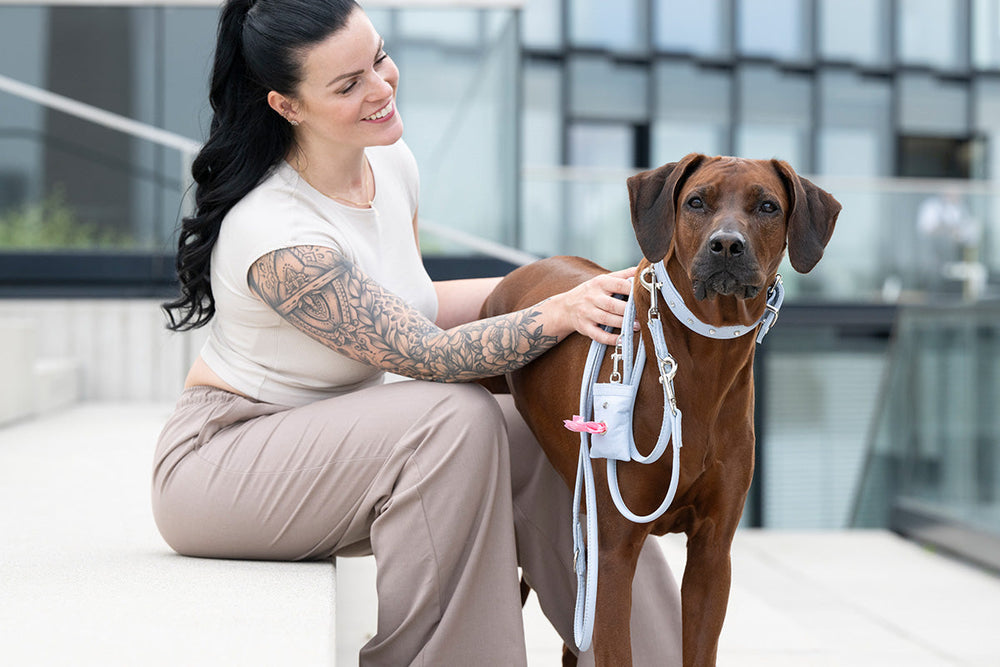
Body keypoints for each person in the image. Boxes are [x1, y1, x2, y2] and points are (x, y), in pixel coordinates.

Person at [153, 0, 682, 664]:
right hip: (225, 462)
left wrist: (574, 291)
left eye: (378, 58)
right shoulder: (277, 235)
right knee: (456, 415)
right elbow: (424, 353)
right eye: (348, 85)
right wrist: (556, 312)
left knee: (534, 427)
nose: (381, 87)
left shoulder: (390, 163)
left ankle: (656, 655)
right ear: (288, 106)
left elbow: (418, 304)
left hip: (347, 437)